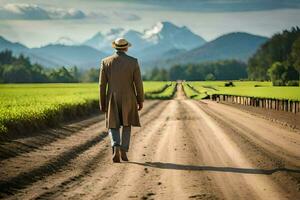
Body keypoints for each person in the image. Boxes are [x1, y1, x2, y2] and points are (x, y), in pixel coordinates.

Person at [99, 38, 144, 163]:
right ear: (126, 48)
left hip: (112, 97)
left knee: (113, 124)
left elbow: (102, 85)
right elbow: (138, 84)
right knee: (127, 124)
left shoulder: (105, 62)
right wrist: (140, 100)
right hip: (129, 97)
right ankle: (124, 149)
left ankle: (116, 146)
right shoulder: (133, 62)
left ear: (115, 47)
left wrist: (102, 103)